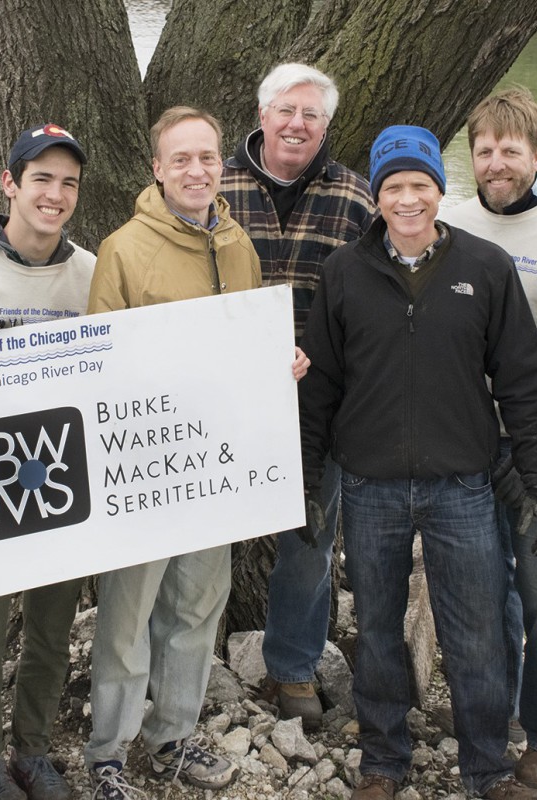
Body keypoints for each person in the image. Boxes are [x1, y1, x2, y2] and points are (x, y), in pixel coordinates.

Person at [298, 125, 537, 800]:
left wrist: (536, 477)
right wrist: (304, 483)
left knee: (475, 637)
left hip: (462, 487)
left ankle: (488, 767)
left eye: (420, 185)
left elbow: (521, 381)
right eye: (393, 188)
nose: (407, 200)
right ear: (376, 198)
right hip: (371, 486)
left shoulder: (487, 268)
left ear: (440, 192)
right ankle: (384, 760)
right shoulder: (344, 273)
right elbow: (320, 385)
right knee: (378, 630)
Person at [83, 106, 308, 799]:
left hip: (215, 469)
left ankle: (174, 734)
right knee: (127, 618)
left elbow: (240, 353)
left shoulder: (238, 246)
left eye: (207, 157)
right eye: (181, 158)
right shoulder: (124, 249)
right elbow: (98, 363)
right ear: (157, 168)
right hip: (147, 466)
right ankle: (108, 753)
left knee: (197, 608)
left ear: (222, 165)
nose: (196, 170)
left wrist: (278, 365)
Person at [441, 86, 537, 794]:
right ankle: (491, 714)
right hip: (463, 444)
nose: (496, 163)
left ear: (536, 154)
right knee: (482, 591)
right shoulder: (447, 219)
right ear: (470, 156)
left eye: (511, 150)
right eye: (484, 150)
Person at [218, 62, 375, 729]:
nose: (297, 125)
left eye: (311, 115)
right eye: (286, 110)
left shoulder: (357, 200)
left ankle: (292, 667)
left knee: (309, 540)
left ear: (327, 126)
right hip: (220, 399)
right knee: (199, 533)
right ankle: (183, 669)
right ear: (261, 116)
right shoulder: (214, 186)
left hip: (319, 406)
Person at [0, 123, 93, 800]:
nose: (55, 194)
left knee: (51, 622)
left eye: (67, 182)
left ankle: (32, 748)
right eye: (40, 178)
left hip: (62, 474)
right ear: (9, 183)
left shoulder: (89, 272)